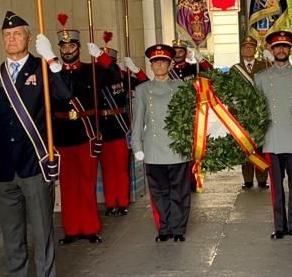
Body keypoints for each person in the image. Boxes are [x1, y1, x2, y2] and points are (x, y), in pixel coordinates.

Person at [0, 11, 70, 277]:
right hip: (2, 169)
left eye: (17, 34)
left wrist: (52, 60)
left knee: (42, 231)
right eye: (6, 35)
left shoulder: (41, 68)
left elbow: (65, 95)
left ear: (28, 38)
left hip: (34, 165)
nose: (11, 39)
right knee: (12, 234)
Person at [51, 17, 119, 244]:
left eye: (71, 46)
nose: (67, 50)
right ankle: (71, 229)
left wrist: (101, 56)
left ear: (79, 49)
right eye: (63, 46)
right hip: (61, 134)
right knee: (68, 185)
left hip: (86, 133)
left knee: (87, 183)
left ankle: (90, 228)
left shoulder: (92, 70)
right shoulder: (52, 73)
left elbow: (115, 76)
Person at [254, 30, 292, 240]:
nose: (281, 50)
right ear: (271, 50)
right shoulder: (261, 78)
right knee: (276, 187)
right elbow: (256, 110)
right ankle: (279, 226)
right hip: (271, 138)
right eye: (277, 46)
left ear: (290, 50)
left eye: (285, 46)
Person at [131, 44, 191, 242]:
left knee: (179, 192)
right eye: (155, 62)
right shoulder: (142, 90)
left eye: (163, 61)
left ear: (170, 64)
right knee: (159, 192)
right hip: (153, 148)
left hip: (177, 148)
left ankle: (179, 228)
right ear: (151, 65)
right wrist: (137, 146)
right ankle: (164, 228)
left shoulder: (181, 87)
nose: (159, 65)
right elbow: (138, 119)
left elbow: (190, 117)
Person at [96, 44, 146, 216]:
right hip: (101, 129)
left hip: (119, 127)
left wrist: (136, 70)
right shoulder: (95, 77)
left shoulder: (122, 76)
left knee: (121, 169)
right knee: (107, 170)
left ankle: (122, 202)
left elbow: (144, 84)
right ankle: (111, 203)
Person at [229, 35, 269, 189]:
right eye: (245, 47)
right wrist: (233, 112)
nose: (248, 49)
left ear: (255, 50)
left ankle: (262, 178)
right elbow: (230, 91)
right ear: (241, 50)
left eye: (251, 47)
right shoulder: (235, 69)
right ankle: (247, 179)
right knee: (245, 146)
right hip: (242, 114)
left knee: (259, 146)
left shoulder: (264, 65)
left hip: (259, 114)